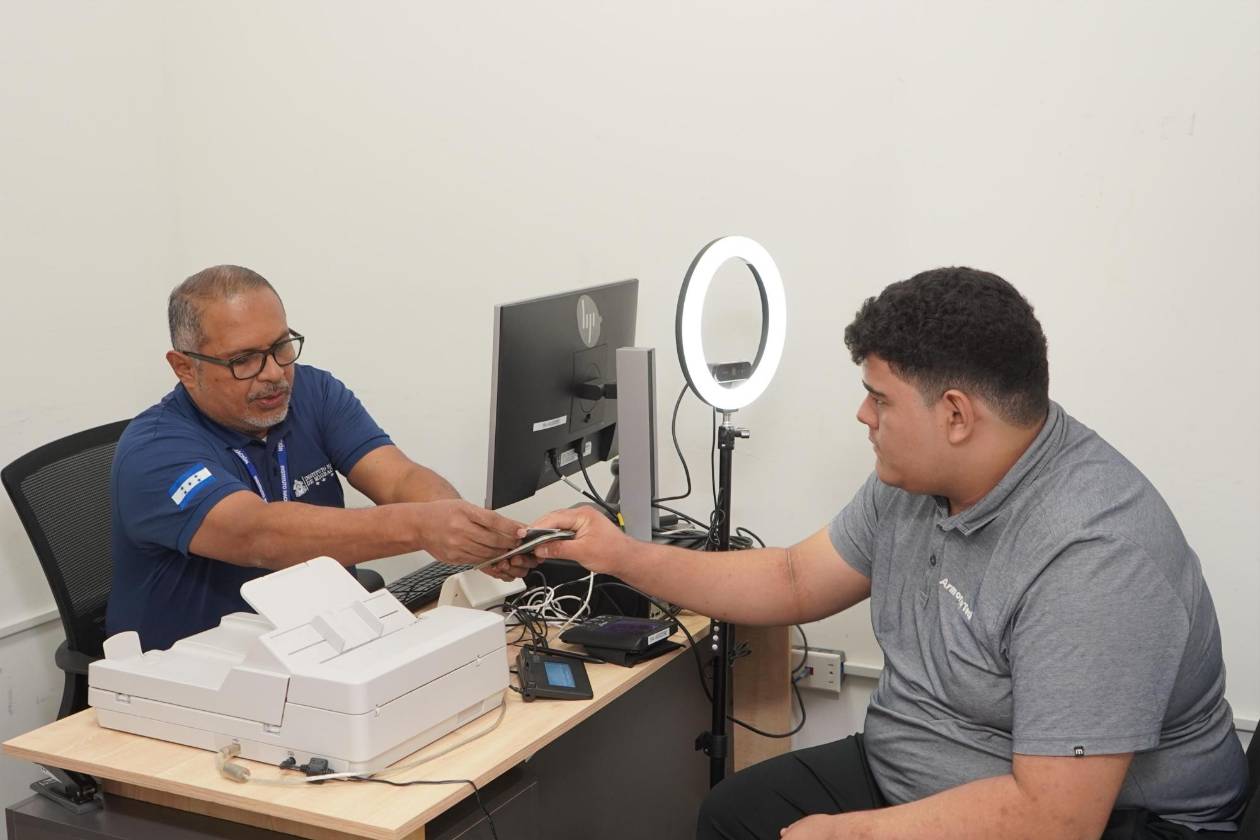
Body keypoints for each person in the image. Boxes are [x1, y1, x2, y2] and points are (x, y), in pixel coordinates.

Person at [524, 267, 1249, 839]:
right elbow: (793, 577)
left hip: (1110, 820)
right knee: (734, 815)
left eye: (880, 398)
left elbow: (1054, 819)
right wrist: (618, 554)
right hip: (925, 765)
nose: (863, 414)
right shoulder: (916, 481)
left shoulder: (1095, 557)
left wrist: (856, 834)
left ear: (956, 414)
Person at [107, 265, 527, 651]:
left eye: (281, 347)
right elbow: (258, 535)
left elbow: (398, 478)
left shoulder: (314, 392)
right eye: (243, 360)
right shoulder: (152, 450)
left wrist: (468, 530)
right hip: (201, 669)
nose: (274, 372)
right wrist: (422, 527)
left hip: (325, 643)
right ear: (184, 368)